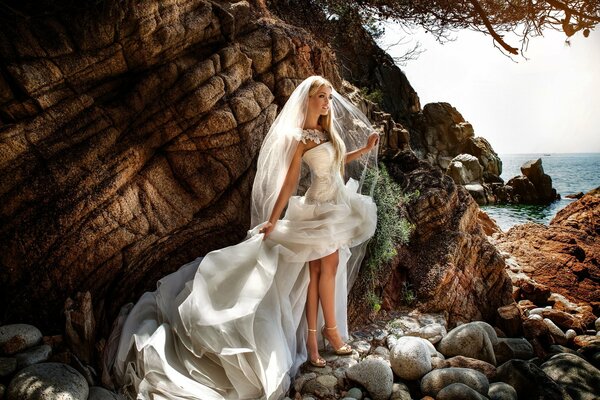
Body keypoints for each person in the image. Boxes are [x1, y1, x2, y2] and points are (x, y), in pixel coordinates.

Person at [107, 76, 379, 399]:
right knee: (324, 267)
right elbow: (291, 181)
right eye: (321, 96)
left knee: (320, 270)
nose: (326, 102)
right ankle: (329, 335)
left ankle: (313, 340)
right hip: (318, 209)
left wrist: (362, 150)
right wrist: (274, 220)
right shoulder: (301, 137)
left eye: (329, 97)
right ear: (307, 99)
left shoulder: (327, 132)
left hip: (334, 206)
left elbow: (334, 165)